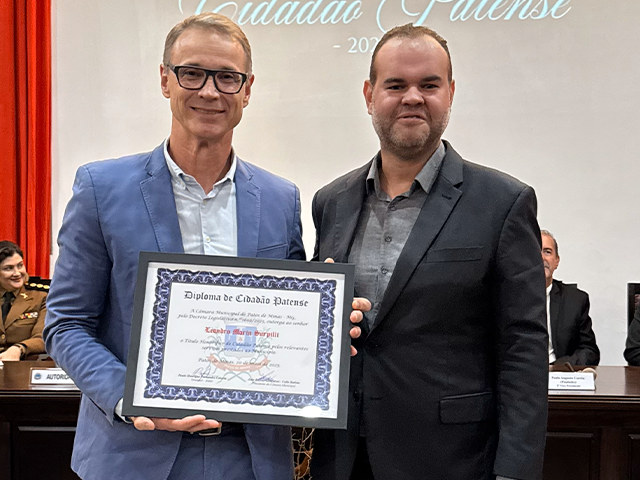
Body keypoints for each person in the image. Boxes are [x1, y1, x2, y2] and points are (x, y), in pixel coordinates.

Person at [43, 13, 355, 480]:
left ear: (247, 90)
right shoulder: (100, 189)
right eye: (192, 73)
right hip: (134, 454)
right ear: (165, 80)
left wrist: (325, 331)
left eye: (227, 77)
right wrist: (131, 399)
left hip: (250, 459)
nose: (210, 91)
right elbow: (66, 324)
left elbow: (285, 322)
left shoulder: (280, 198)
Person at [310, 24, 548, 480]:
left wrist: (515, 471)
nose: (413, 98)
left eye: (429, 85)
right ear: (369, 95)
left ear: (450, 93)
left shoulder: (503, 202)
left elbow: (524, 347)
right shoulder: (331, 202)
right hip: (342, 457)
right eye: (396, 85)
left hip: (453, 459)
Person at [541, 230, 600, 366]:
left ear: (557, 261)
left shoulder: (575, 300)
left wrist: (560, 366)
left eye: (547, 252)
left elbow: (589, 351)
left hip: (559, 372)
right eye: (535, 251)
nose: (541, 257)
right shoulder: (508, 299)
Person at [0, 240, 47, 360]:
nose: (17, 273)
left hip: (24, 364)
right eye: (8, 268)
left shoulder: (41, 296)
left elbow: (43, 337)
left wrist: (19, 348)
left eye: (20, 265)